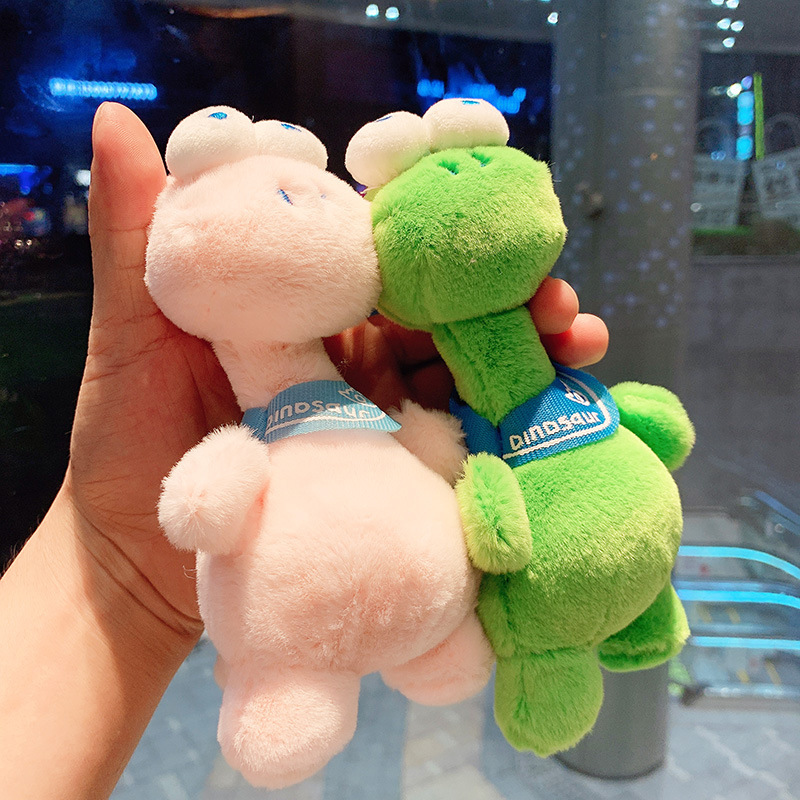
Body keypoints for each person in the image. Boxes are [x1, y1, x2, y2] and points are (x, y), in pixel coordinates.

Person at [0, 102, 609, 799]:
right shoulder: (247, 436)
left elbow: (425, 446)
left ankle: (433, 641)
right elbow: (201, 501)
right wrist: (128, 556)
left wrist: (441, 445)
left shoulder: (362, 396)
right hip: (295, 598)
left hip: (418, 563)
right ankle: (300, 682)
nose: (319, 210)